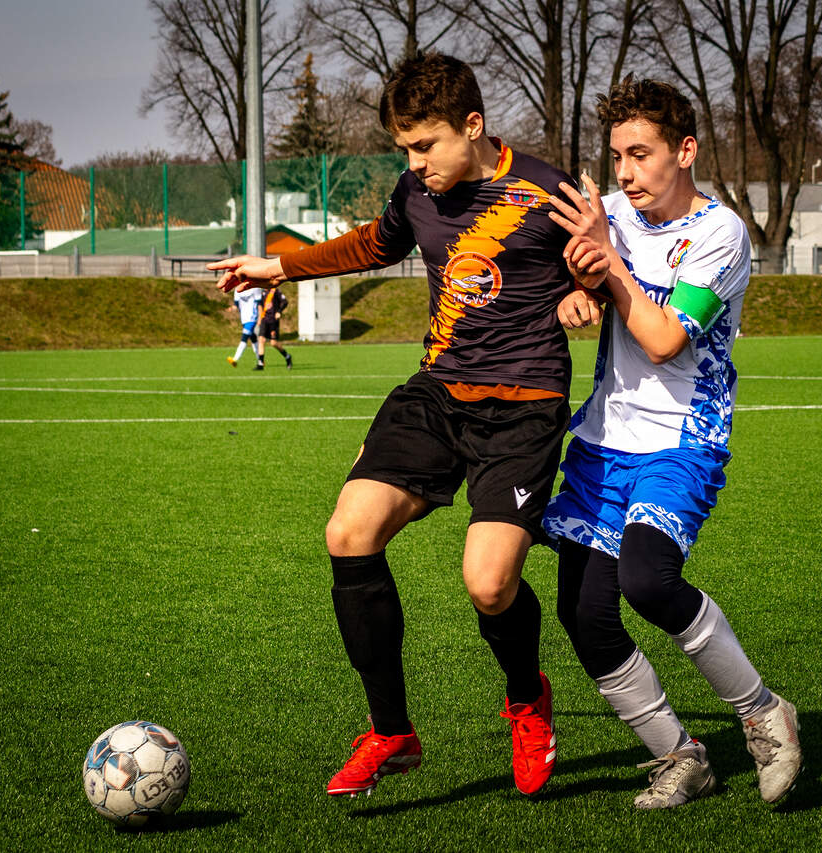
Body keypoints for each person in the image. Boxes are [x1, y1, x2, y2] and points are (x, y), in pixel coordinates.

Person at [207, 52, 599, 798]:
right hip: (437, 392)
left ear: (472, 125)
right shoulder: (416, 190)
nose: (415, 164)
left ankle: (527, 698)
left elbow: (602, 265)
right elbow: (372, 243)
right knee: (348, 531)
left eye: (425, 146)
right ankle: (390, 730)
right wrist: (278, 267)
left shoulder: (548, 191)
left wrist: (588, 294)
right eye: (406, 149)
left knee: (489, 583)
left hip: (523, 405)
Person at [541, 76, 803, 810]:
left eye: (642, 154)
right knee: (583, 612)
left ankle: (764, 714)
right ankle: (679, 756)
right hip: (603, 441)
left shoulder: (720, 234)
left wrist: (610, 264)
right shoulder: (611, 215)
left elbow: (661, 339)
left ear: (684, 151)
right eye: (617, 157)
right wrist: (578, 290)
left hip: (682, 439)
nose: (626, 173)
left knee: (649, 580)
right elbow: (585, 283)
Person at [255, 284, 292, 369]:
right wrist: (260, 318)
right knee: (261, 339)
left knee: (273, 343)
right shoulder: (262, 293)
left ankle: (287, 356)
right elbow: (260, 305)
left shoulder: (275, 291)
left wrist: (279, 311)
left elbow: (285, 302)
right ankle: (260, 363)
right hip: (264, 319)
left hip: (273, 321)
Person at [227, 284, 264, 367]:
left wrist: (260, 318)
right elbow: (236, 305)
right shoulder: (237, 289)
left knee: (244, 338)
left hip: (252, 317)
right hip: (244, 318)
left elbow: (259, 304)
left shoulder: (255, 287)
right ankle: (260, 361)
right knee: (253, 339)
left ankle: (235, 359)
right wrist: (231, 309)